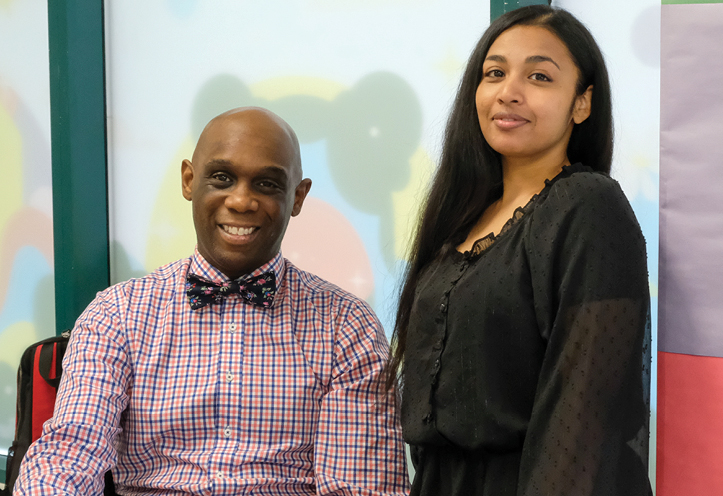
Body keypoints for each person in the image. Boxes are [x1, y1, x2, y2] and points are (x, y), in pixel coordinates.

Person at [16, 107, 410, 495]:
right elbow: (71, 454)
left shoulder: (346, 325)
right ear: (189, 180)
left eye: (267, 184)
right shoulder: (116, 314)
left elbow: (360, 487)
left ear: (298, 196)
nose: (241, 201)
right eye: (222, 178)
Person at [388, 6, 651, 496]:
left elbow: (584, 417)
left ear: (582, 103)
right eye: (494, 73)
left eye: (539, 76)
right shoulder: (459, 220)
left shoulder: (587, 205)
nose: (509, 91)